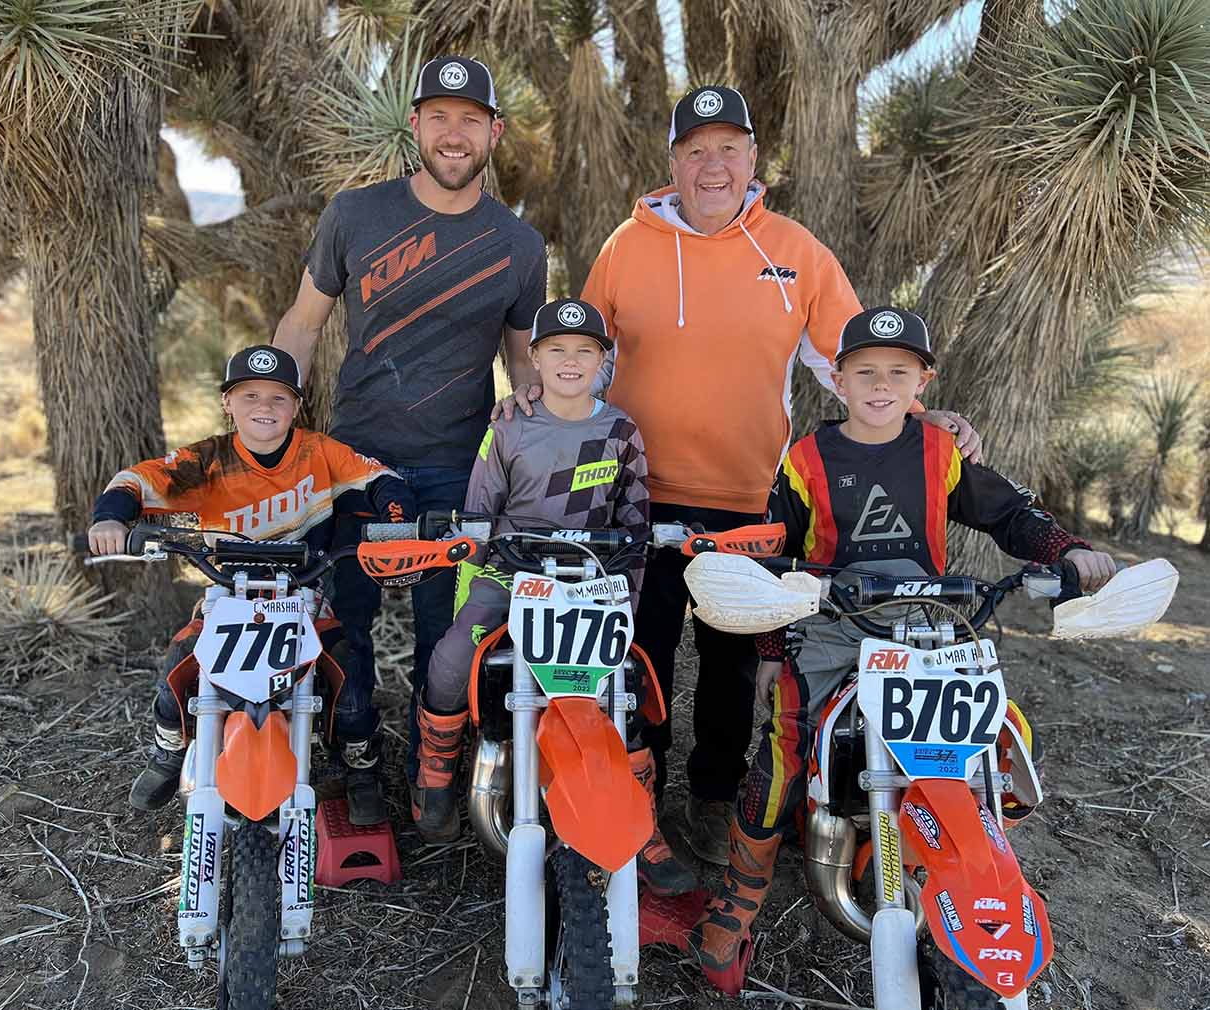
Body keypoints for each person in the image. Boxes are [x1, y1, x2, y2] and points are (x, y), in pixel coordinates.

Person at [501, 85, 982, 866]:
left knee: (731, 664)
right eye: (696, 151)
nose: (713, 165)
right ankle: (636, 801)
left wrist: (922, 417)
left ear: (754, 159)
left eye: (729, 149)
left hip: (748, 501)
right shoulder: (628, 245)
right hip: (631, 496)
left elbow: (850, 364)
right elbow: (583, 358)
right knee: (635, 652)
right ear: (674, 163)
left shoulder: (795, 250)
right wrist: (531, 397)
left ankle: (716, 803)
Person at [689, 306, 1118, 985]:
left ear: (924, 380)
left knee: (992, 734)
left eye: (899, 372)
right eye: (864, 372)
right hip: (833, 623)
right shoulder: (806, 460)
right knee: (785, 746)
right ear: (837, 379)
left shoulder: (942, 451)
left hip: (933, 620)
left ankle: (973, 852)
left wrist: (1068, 550)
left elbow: (1008, 513)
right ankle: (738, 901)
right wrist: (772, 651)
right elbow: (776, 560)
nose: (880, 386)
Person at [274, 56, 547, 810]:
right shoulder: (353, 216)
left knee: (446, 637)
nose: (452, 134)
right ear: (416, 127)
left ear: (494, 132)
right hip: (354, 464)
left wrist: (539, 431)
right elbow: (303, 323)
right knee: (344, 626)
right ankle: (357, 765)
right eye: (438, 117)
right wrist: (270, 412)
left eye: (469, 119)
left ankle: (437, 778)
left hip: (459, 471)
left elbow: (522, 358)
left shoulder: (519, 245)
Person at [415, 299, 695, 894]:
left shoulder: (620, 431)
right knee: (452, 660)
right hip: (507, 575)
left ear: (603, 361)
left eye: (585, 351)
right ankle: (435, 774)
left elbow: (636, 527)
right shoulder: (509, 425)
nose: (570, 361)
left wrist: (627, 602)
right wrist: (478, 584)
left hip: (591, 585)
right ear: (534, 358)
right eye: (557, 350)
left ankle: (640, 822)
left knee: (629, 684)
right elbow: (477, 515)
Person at [87, 345, 414, 816]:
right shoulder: (207, 459)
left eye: (279, 398)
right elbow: (137, 480)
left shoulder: (319, 452)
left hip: (304, 594)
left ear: (297, 406)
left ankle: (361, 767)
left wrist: (397, 523)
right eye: (250, 395)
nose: (264, 407)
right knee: (182, 658)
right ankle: (169, 746)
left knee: (347, 667)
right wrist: (110, 519)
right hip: (227, 592)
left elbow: (382, 479)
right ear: (228, 402)